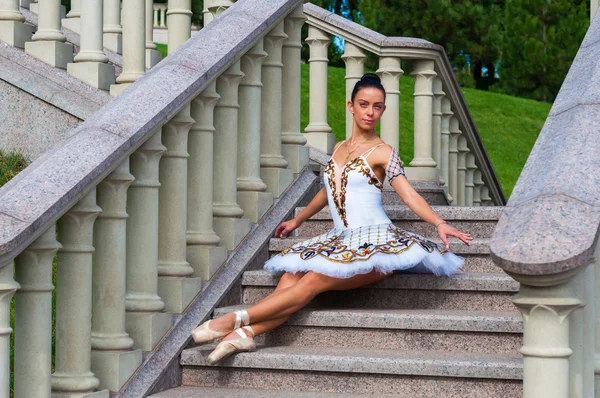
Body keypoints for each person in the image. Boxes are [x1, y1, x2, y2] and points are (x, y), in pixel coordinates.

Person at [191, 73, 473, 364]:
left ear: (383, 110)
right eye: (364, 104)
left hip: (376, 242)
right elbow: (327, 192)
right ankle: (243, 335)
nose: (370, 112)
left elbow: (409, 195)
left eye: (377, 107)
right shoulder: (339, 147)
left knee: (311, 279)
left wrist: (438, 222)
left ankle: (229, 322)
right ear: (351, 106)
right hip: (340, 240)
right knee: (292, 275)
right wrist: (298, 220)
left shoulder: (383, 152)